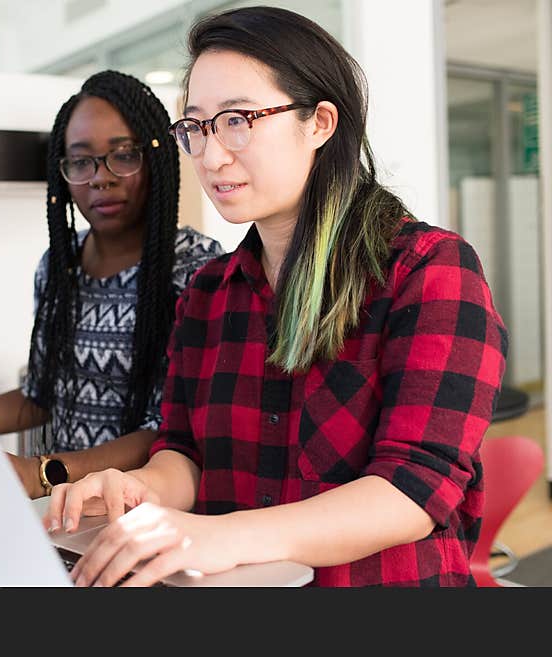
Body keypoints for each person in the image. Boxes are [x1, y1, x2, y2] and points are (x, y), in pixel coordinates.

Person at [44, 6, 508, 587]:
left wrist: (222, 535)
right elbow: (184, 451)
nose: (211, 157)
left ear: (319, 123)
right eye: (196, 127)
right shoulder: (208, 292)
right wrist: (142, 487)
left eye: (238, 120)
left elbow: (414, 489)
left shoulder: (428, 270)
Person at [0, 71, 223, 499]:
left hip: (146, 511)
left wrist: (43, 473)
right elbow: (41, 394)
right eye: (81, 161)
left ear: (156, 159)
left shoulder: (195, 269)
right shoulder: (59, 266)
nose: (100, 177)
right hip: (65, 512)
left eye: (123, 155)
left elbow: (171, 429)